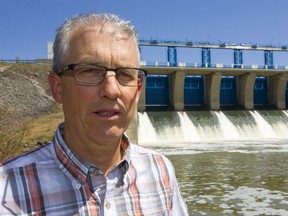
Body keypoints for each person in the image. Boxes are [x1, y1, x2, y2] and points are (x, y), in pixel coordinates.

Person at [0, 13, 188, 215]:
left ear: (138, 89)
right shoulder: (7, 190)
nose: (112, 90)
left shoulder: (160, 171)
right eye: (90, 71)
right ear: (58, 88)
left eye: (125, 74)